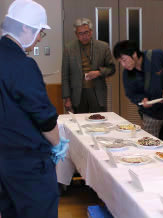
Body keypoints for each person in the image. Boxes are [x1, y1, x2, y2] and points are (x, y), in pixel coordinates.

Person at [0, 1, 69, 218]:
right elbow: (44, 117)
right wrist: (58, 144)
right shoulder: (22, 64)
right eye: (40, 32)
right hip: (27, 163)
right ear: (25, 29)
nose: (39, 39)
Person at [113, 40, 163, 144]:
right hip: (151, 113)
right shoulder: (127, 74)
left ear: (134, 54)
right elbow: (130, 94)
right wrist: (141, 100)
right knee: (148, 144)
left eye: (124, 60)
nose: (123, 65)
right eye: (120, 62)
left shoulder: (157, 56)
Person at [62, 18, 115, 113]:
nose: (84, 36)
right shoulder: (69, 48)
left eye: (86, 32)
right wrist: (67, 98)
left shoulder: (103, 47)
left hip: (97, 92)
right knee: (80, 124)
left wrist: (99, 72)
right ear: (76, 34)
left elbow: (112, 69)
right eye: (80, 33)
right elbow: (65, 75)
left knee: (99, 122)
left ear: (91, 32)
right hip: (78, 94)